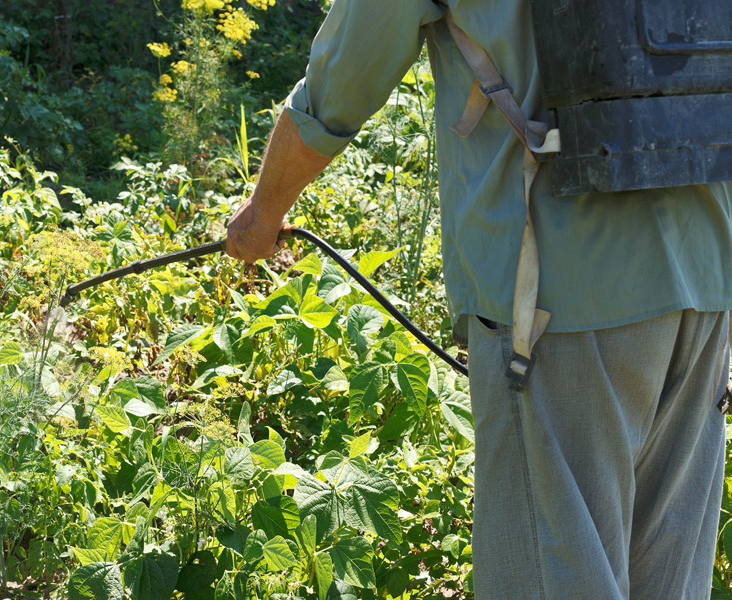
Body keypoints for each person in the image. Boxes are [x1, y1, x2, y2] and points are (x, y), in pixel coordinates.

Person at [224, 1, 732, 598]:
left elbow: (342, 77)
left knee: (553, 578)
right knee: (667, 581)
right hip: (708, 273)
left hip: (558, 289)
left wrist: (264, 212)